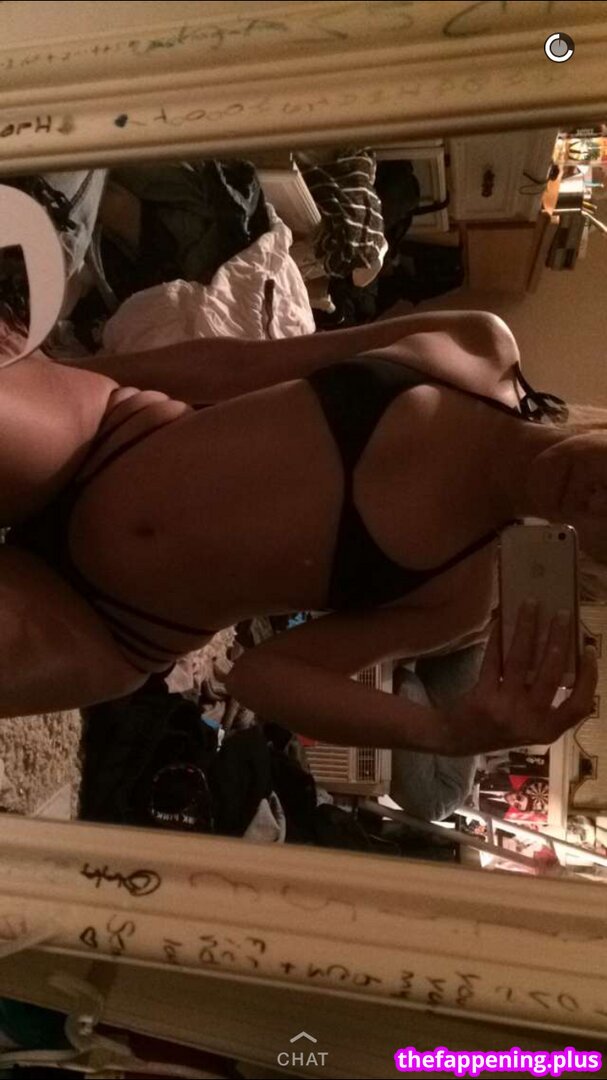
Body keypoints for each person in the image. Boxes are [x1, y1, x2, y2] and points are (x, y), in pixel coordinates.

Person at [0, 310, 600, 754]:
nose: (600, 499)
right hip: (106, 436)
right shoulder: (476, 346)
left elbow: (260, 677)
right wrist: (57, 374)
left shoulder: (458, 598)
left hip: (113, 625)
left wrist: (445, 732)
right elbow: (243, 366)